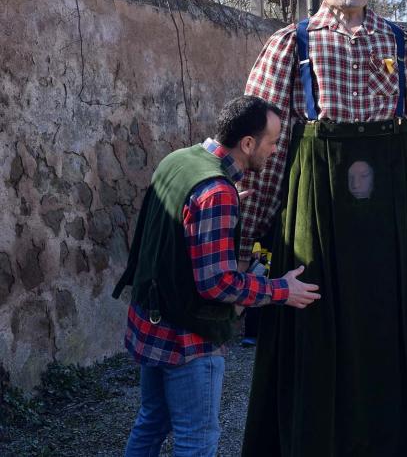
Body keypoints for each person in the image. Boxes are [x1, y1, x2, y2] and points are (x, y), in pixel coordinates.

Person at [237, 0, 407, 455]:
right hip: (316, 227)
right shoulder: (289, 45)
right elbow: (260, 154)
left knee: (400, 345)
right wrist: (246, 242)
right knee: (317, 344)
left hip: (397, 228)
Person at [112, 96, 321, 456]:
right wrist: (281, 290)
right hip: (188, 340)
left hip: (150, 321)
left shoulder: (179, 160)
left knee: (151, 422)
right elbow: (217, 283)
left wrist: (220, 203)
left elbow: (174, 226)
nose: (274, 151)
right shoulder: (217, 192)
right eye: (272, 142)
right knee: (197, 439)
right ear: (247, 144)